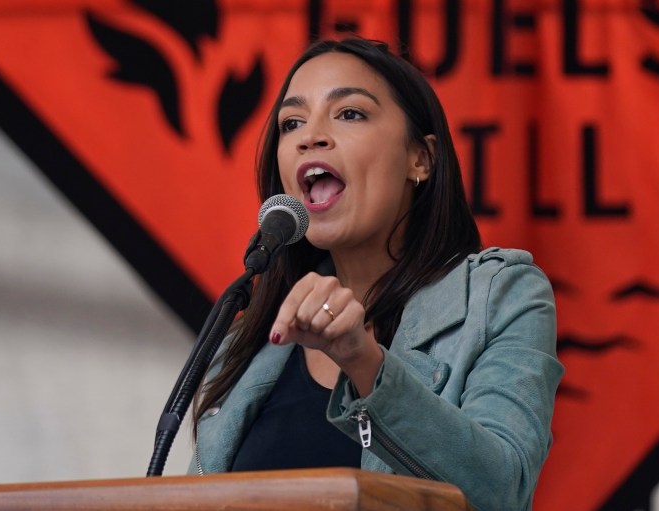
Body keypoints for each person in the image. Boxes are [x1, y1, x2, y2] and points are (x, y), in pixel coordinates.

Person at [190, 37, 564, 511]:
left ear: (421, 160)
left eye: (349, 113)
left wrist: (364, 363)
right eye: (292, 122)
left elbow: (501, 491)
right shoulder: (244, 343)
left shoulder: (501, 296)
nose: (310, 136)